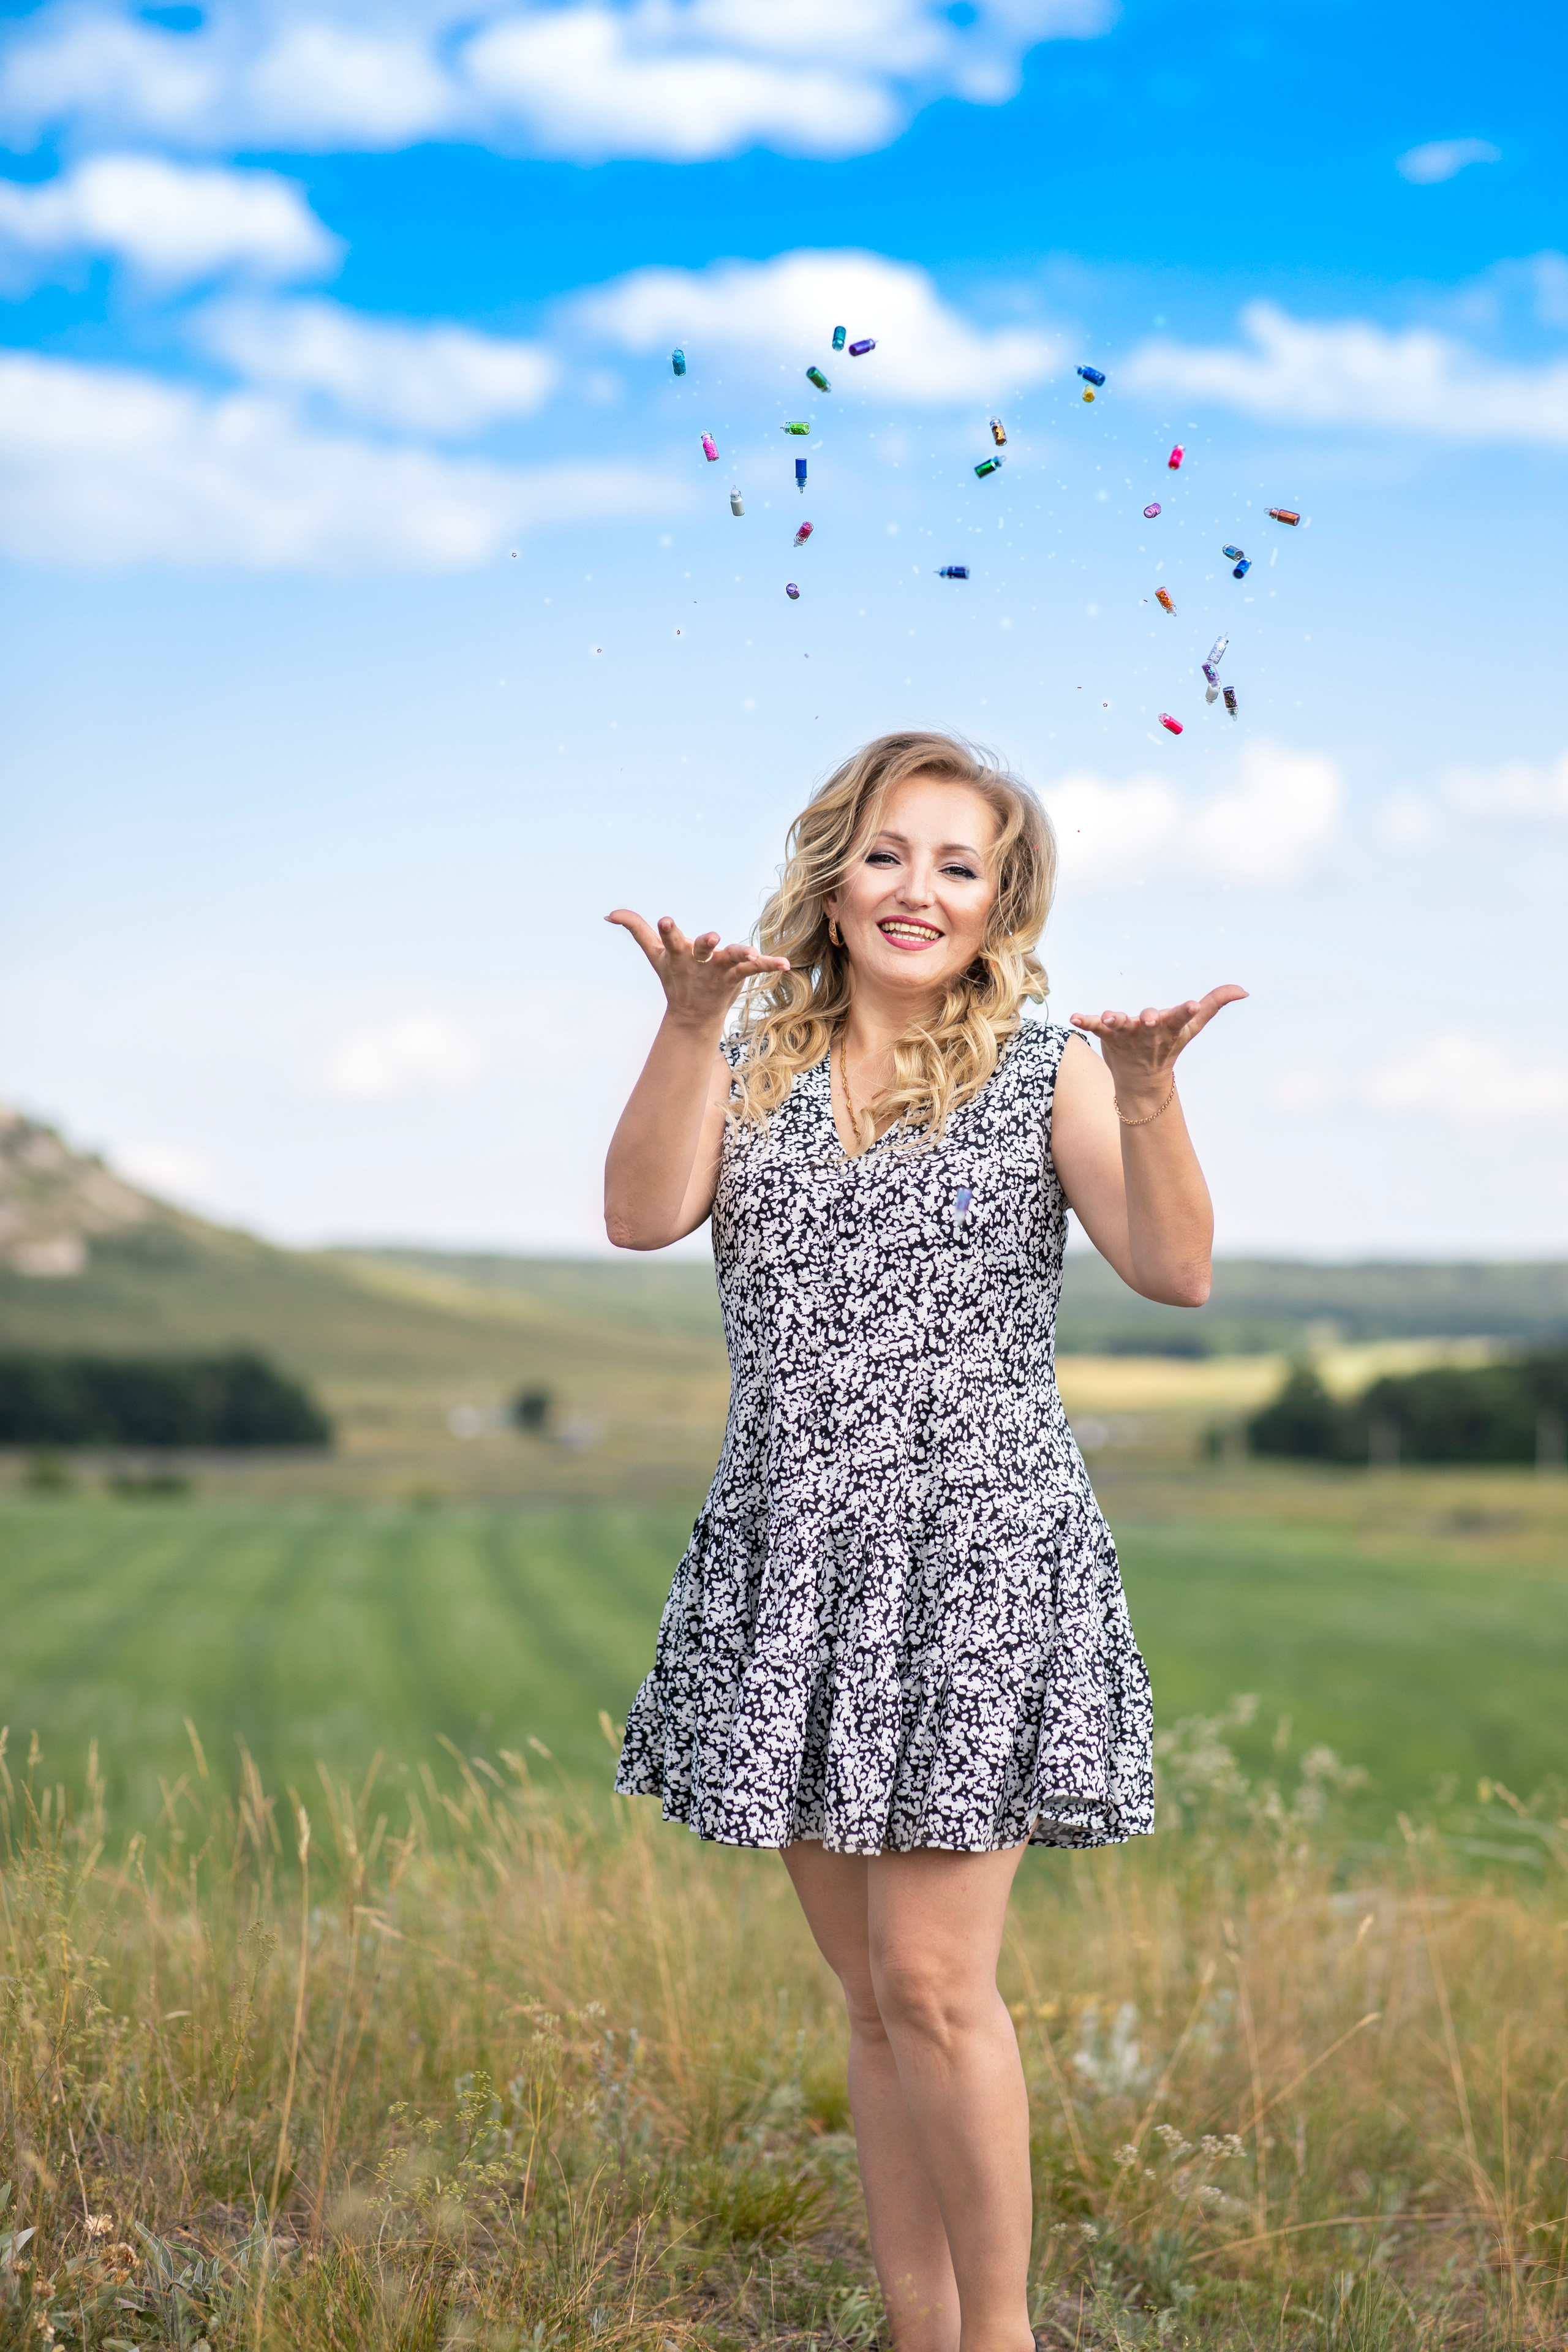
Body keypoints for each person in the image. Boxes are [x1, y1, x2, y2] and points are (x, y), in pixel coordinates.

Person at [603, 731, 1243, 2352]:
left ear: (1000, 902)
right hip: (794, 1557)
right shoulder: (745, 1055)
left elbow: (1176, 1271)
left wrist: (1155, 1092)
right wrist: (683, 1025)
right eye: (892, 852)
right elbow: (638, 1213)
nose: (917, 889)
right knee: (877, 2002)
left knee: (943, 1986)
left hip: (977, 1564)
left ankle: (1003, 2336)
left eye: (959, 865)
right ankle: (919, 2328)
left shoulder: (1051, 1071)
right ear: (835, 870)